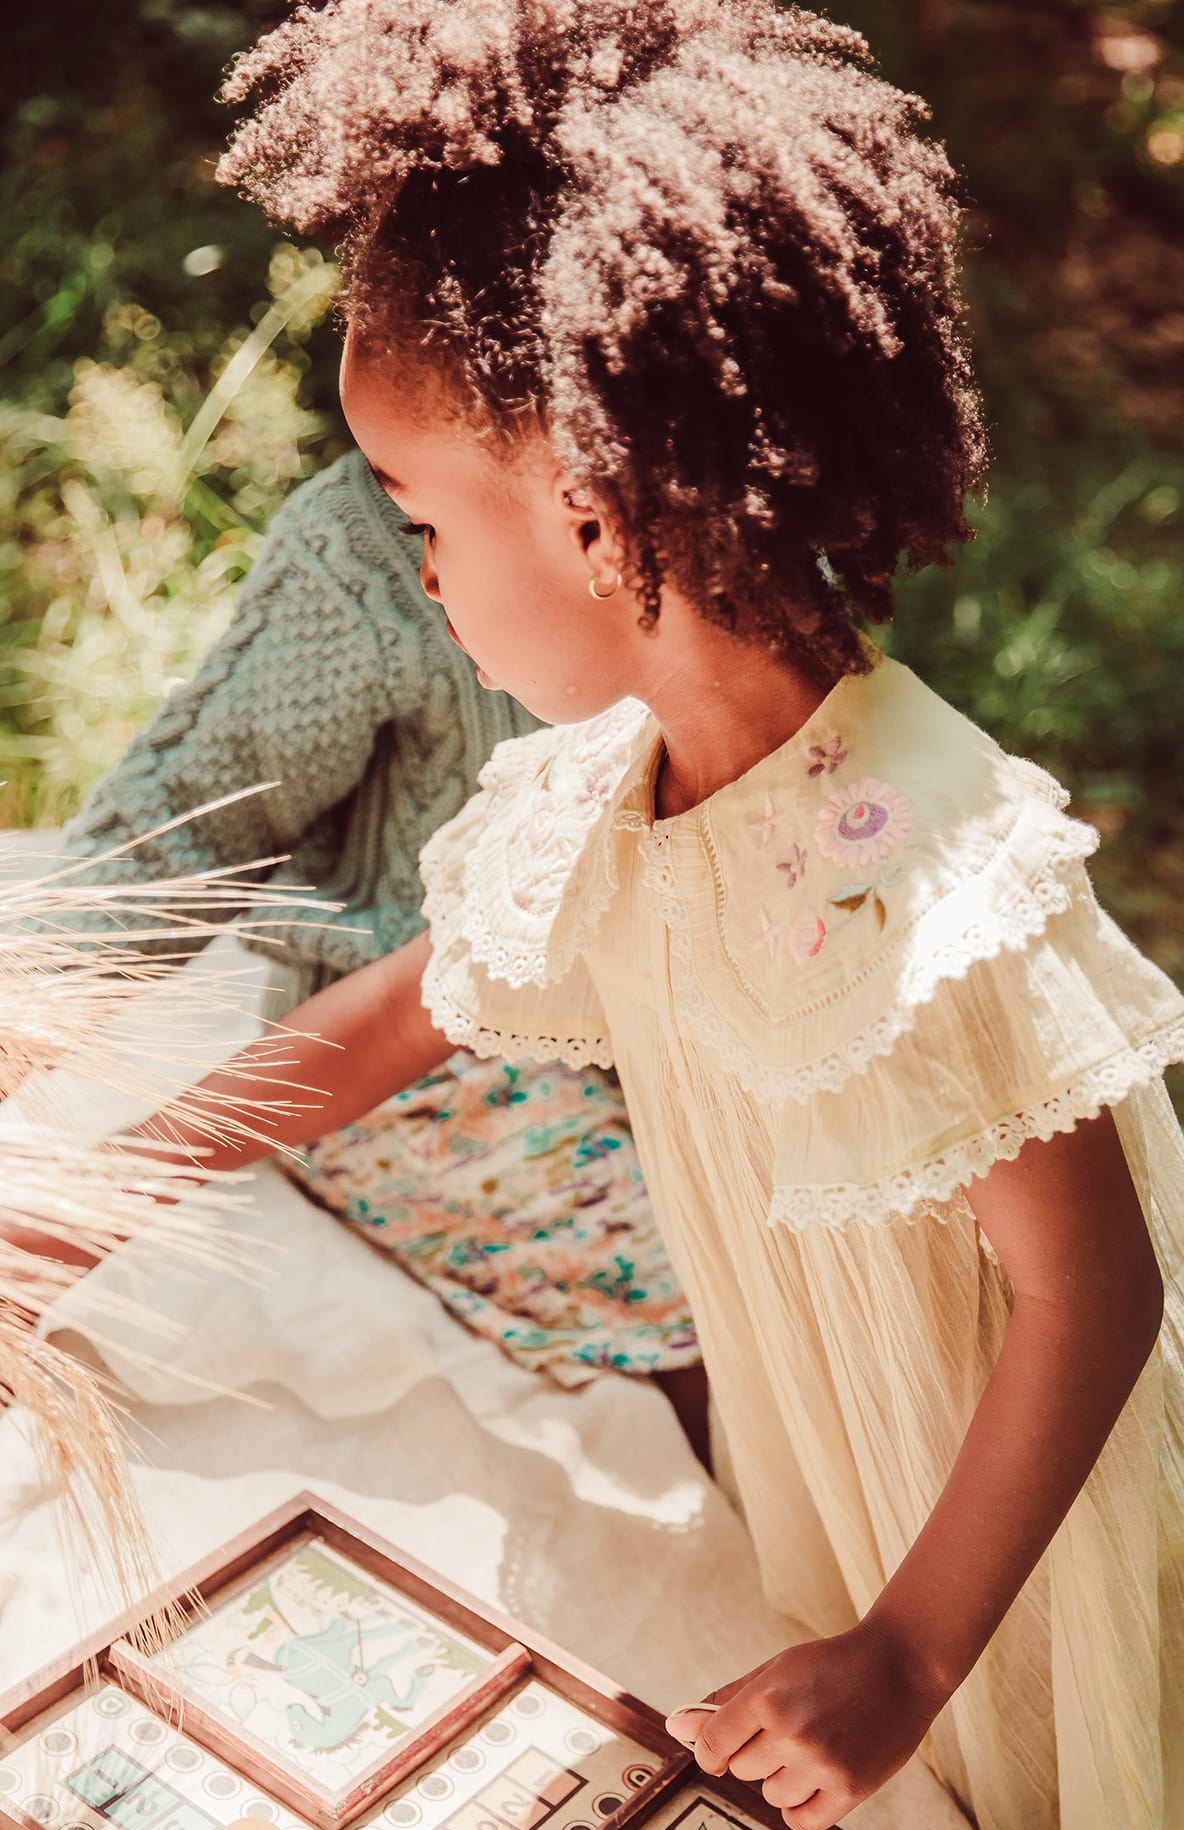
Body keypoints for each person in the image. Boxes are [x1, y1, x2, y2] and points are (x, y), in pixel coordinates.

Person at [36, 1, 1184, 1830]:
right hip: (839, 1438)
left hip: (1001, 1479)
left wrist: (911, 1651)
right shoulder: (614, 790)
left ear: (589, 503)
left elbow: (1096, 1291)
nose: (423, 589)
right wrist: (76, 1198)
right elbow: (399, 1014)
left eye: (421, 529)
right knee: (866, 1804)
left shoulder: (917, 869)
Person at [42, 448, 707, 1438]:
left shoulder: (732, 553)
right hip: (413, 1051)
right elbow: (186, 826)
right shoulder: (357, 551)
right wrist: (34, 1019)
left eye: (435, 521)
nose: (427, 568)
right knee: (696, 1293)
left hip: (662, 1026)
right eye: (411, 519)